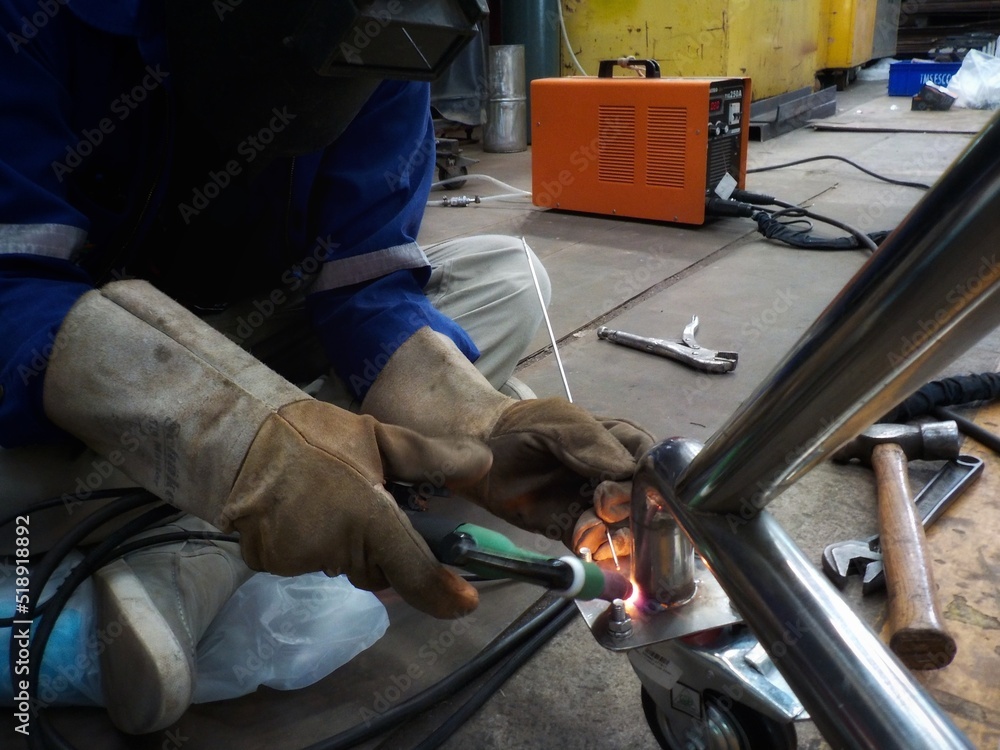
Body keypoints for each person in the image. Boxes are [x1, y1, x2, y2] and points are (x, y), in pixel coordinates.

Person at [0, 0, 653, 735]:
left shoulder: (401, 31)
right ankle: (215, 538)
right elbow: (13, 292)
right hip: (92, 343)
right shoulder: (38, 19)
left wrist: (476, 418)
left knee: (507, 278)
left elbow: (365, 288)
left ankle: (235, 512)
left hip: (266, 326)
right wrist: (240, 443)